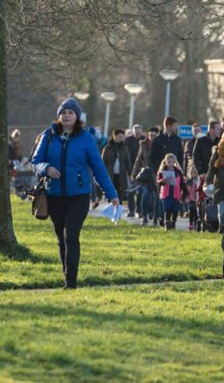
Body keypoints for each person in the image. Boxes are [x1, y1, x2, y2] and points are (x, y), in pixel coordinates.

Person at [32, 98, 118, 288]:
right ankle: (66, 275)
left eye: (70, 112)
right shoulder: (48, 135)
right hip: (54, 195)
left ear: (77, 116)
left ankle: (71, 281)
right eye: (63, 112)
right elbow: (35, 161)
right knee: (61, 238)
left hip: (78, 196)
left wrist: (112, 195)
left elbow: (98, 168)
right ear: (58, 116)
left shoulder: (86, 138)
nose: (66, 116)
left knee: (71, 234)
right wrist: (46, 168)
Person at [132, 127, 160, 225]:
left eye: (154, 136)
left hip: (157, 174)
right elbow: (138, 159)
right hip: (146, 174)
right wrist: (134, 174)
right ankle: (144, 216)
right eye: (150, 135)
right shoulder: (143, 144)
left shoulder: (160, 144)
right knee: (146, 195)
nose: (151, 137)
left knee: (156, 197)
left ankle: (156, 217)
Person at [101, 129, 133, 206]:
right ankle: (111, 209)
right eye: (120, 137)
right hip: (110, 173)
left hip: (121, 174)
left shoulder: (124, 148)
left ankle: (118, 211)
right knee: (111, 192)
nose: (121, 139)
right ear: (114, 136)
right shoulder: (107, 148)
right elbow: (103, 162)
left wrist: (130, 173)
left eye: (122, 137)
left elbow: (128, 161)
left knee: (120, 192)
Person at [156, 153, 187, 231]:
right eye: (169, 162)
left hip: (176, 193)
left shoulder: (178, 171)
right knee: (167, 209)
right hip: (166, 193)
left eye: (173, 162)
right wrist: (163, 180)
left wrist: (185, 192)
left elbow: (182, 183)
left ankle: (173, 224)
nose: (171, 164)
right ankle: (167, 225)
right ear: (166, 162)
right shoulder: (163, 171)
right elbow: (158, 181)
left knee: (175, 210)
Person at [124, 125, 144, 217]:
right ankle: (131, 210)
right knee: (131, 191)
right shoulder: (128, 141)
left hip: (141, 169)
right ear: (132, 131)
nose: (137, 132)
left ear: (141, 131)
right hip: (130, 168)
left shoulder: (144, 140)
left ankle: (139, 210)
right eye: (135, 130)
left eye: (138, 130)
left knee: (140, 191)